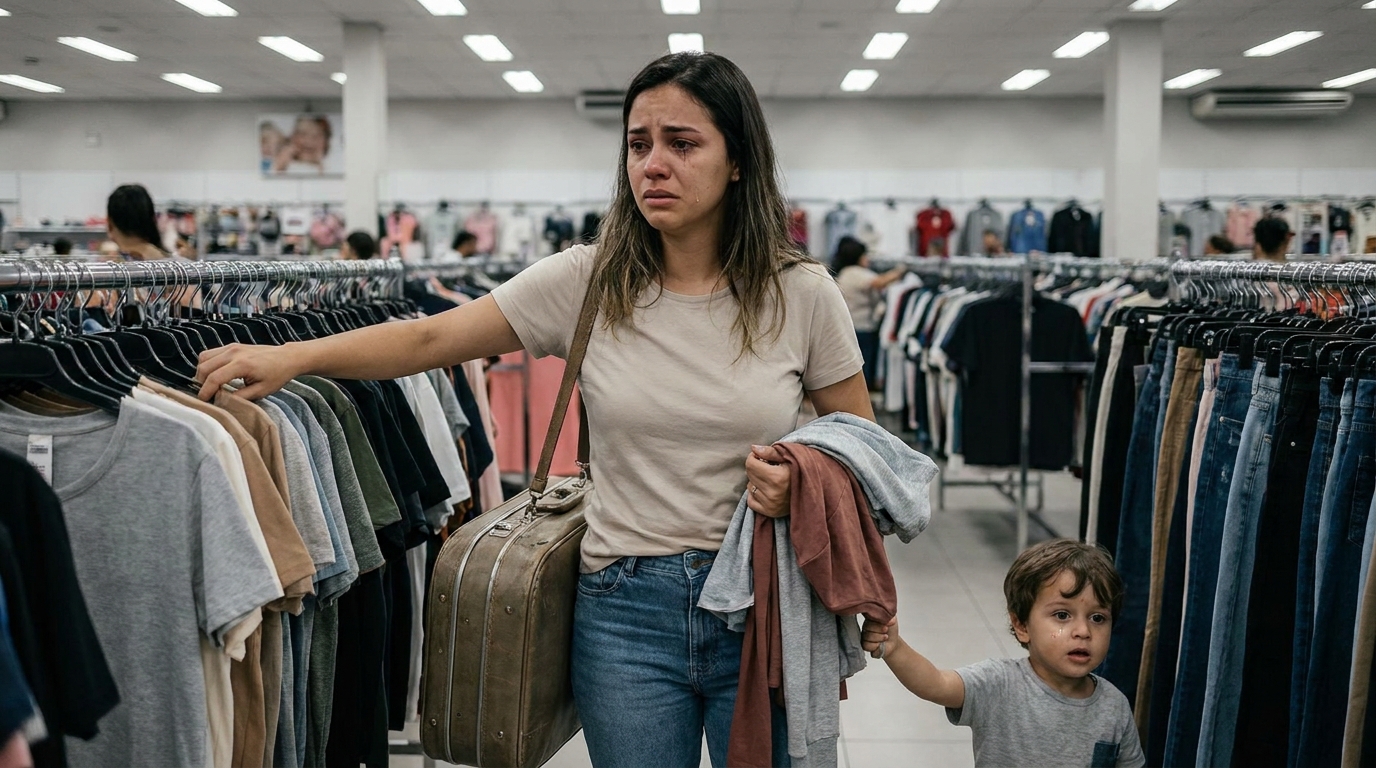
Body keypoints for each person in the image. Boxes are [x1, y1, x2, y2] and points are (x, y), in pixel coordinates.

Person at [195, 51, 870, 768]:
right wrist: (293, 357)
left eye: (682, 143)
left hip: (763, 603)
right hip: (623, 608)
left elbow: (863, 451)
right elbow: (430, 336)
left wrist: (803, 482)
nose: (653, 165)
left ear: (738, 160)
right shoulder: (588, 279)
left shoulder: (800, 294)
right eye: (638, 145)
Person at [861, 539, 1144, 768]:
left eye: (1097, 618)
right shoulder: (999, 683)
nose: (1083, 630)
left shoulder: (1114, 706)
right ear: (1021, 625)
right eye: (1062, 615)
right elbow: (936, 684)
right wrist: (895, 649)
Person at [832, 235, 904, 391]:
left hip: (850, 326)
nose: (868, 259)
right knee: (864, 366)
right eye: (865, 255)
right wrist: (900, 271)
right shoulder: (856, 273)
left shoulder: (844, 272)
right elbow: (879, 282)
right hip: (862, 327)